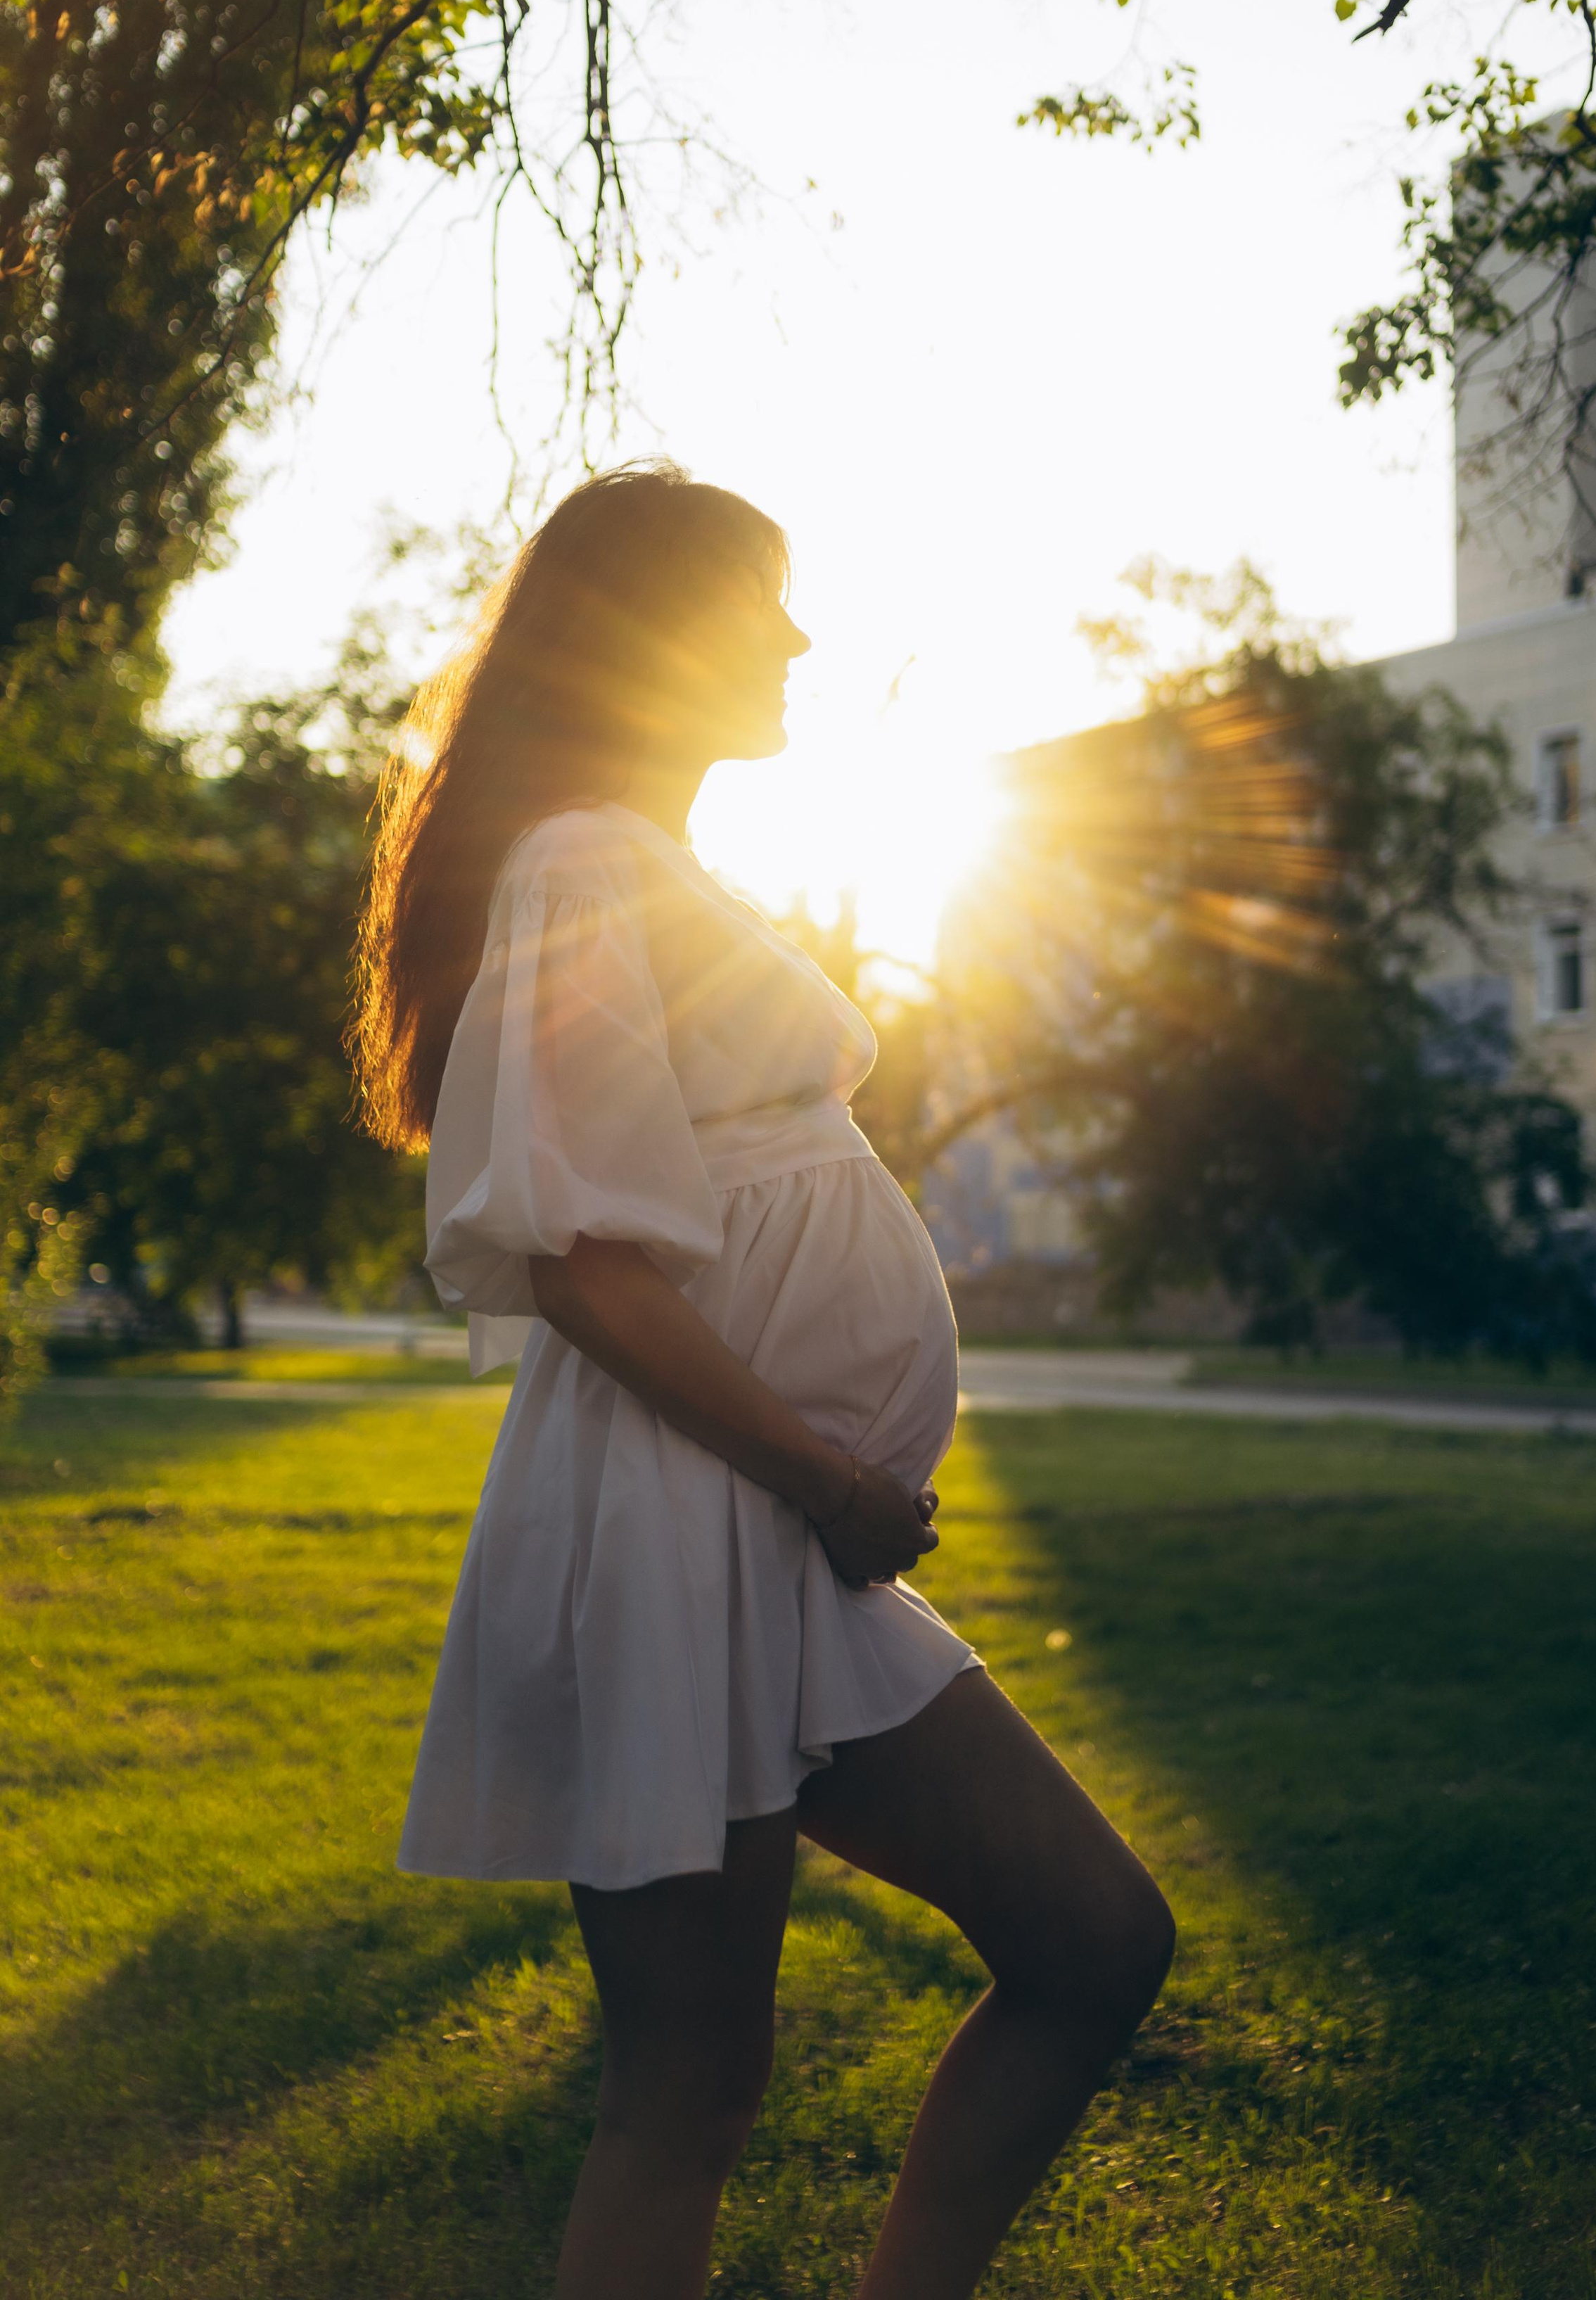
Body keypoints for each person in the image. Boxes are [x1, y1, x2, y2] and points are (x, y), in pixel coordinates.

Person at [354, 462, 1174, 2300]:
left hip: (782, 1549)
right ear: (646, 634)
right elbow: (581, 1262)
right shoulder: (578, 863)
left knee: (1094, 1939)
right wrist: (823, 1472)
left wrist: (819, 1489)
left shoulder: (643, 866)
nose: (797, 637)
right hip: (686, 1526)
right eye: (758, 598)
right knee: (688, 2088)